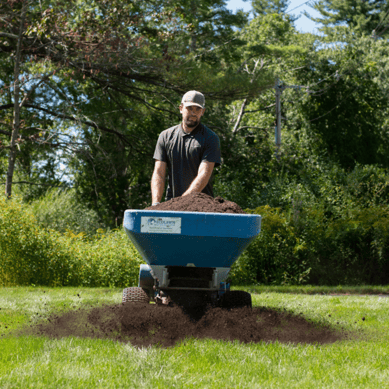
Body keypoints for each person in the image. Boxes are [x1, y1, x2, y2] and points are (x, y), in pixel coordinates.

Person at [151, 90, 221, 205]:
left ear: (202, 112)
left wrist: (181, 203)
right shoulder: (165, 136)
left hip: (202, 206)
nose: (193, 113)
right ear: (181, 108)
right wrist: (155, 203)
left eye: (197, 109)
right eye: (189, 108)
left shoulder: (210, 138)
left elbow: (204, 174)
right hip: (171, 204)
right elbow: (159, 172)